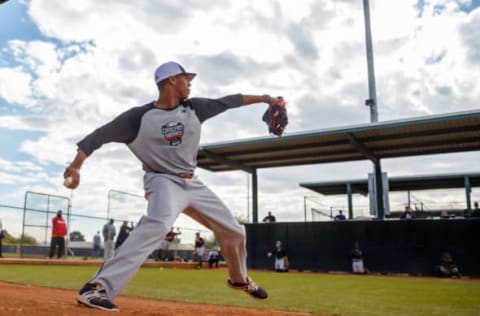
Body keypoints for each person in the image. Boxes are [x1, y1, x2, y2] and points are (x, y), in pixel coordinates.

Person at [64, 61, 274, 311]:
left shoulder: (195, 108)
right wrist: (76, 165)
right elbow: (98, 136)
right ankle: (96, 288)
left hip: (191, 182)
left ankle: (238, 279)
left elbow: (231, 100)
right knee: (159, 223)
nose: (190, 83)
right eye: (187, 78)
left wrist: (266, 98)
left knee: (235, 231)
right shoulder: (138, 118)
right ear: (172, 80)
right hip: (162, 179)